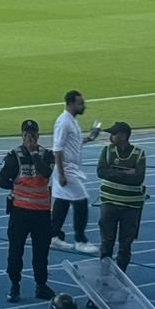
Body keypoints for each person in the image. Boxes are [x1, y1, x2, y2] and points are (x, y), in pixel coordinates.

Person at [0, 119, 57, 303]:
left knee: (41, 252)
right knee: (16, 251)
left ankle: (41, 285)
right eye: (26, 135)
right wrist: (15, 187)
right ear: (21, 136)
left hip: (41, 212)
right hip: (20, 212)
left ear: (38, 136)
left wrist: (33, 153)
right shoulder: (13, 156)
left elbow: (45, 172)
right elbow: (1, 181)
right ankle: (15, 285)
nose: (29, 138)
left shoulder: (46, 155)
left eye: (33, 135)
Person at [51, 90, 101, 254]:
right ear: (71, 104)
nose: (83, 106)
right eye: (80, 103)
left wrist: (90, 138)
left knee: (62, 202)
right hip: (66, 169)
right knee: (81, 201)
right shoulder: (63, 122)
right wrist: (61, 174)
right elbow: (57, 149)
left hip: (69, 168)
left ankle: (54, 236)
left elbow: (73, 142)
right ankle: (80, 239)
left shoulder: (71, 121)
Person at [97, 121, 147, 272]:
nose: (111, 137)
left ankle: (121, 276)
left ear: (123, 136)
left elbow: (138, 178)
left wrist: (114, 172)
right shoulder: (107, 151)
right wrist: (126, 172)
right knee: (107, 242)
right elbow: (101, 172)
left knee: (125, 244)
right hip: (109, 202)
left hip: (131, 206)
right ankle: (104, 274)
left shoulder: (138, 154)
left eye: (114, 134)